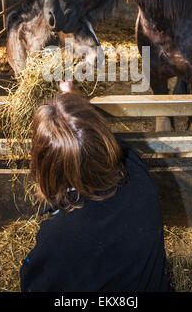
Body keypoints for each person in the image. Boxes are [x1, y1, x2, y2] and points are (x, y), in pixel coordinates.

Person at [20, 81, 173, 292]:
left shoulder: (56, 240)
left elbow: (31, 284)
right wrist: (73, 108)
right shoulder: (137, 170)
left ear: (43, 166)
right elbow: (108, 142)